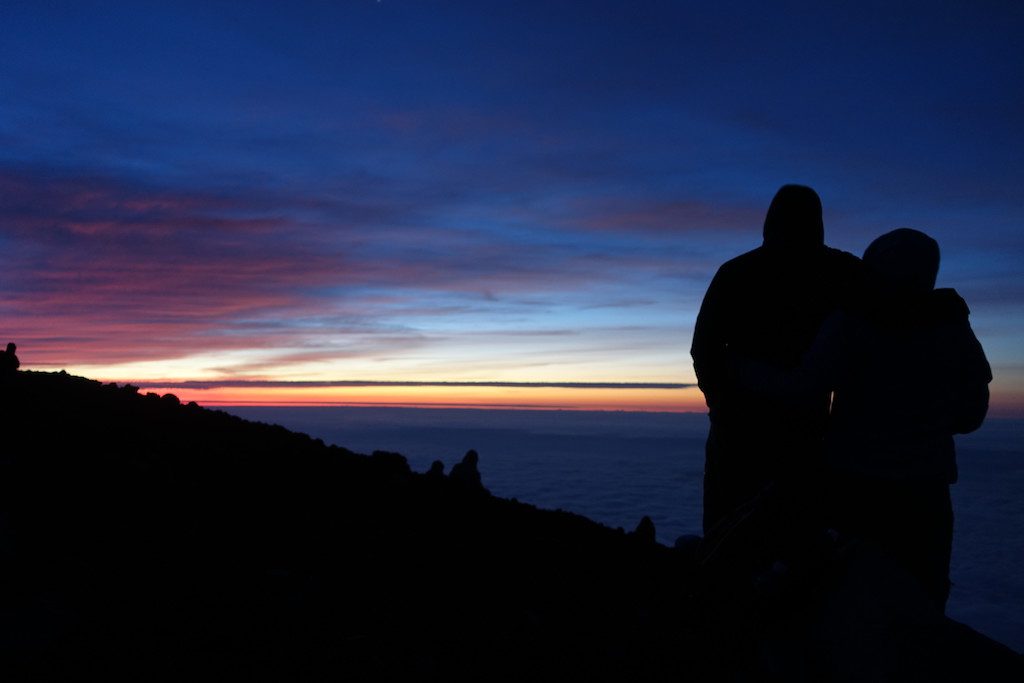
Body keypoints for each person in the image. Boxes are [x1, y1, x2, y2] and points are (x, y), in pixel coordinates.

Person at [732, 228, 991, 611]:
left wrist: (741, 368)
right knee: (921, 602)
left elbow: (805, 386)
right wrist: (927, 423)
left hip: (854, 485)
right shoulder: (952, 328)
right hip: (925, 492)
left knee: (847, 597)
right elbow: (971, 414)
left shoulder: (852, 321)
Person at [690, 185, 861, 534]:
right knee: (794, 538)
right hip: (804, 430)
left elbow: (704, 348)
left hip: (741, 432)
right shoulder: (840, 272)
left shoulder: (737, 272)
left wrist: (722, 406)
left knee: (730, 536)